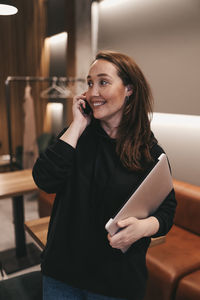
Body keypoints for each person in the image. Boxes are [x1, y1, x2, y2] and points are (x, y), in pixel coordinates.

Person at [32, 50, 177, 300]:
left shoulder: (149, 152)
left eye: (103, 82)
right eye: (89, 83)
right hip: (62, 274)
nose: (93, 92)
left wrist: (144, 227)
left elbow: (168, 207)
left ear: (129, 89)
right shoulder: (77, 137)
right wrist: (77, 125)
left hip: (116, 281)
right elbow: (44, 179)